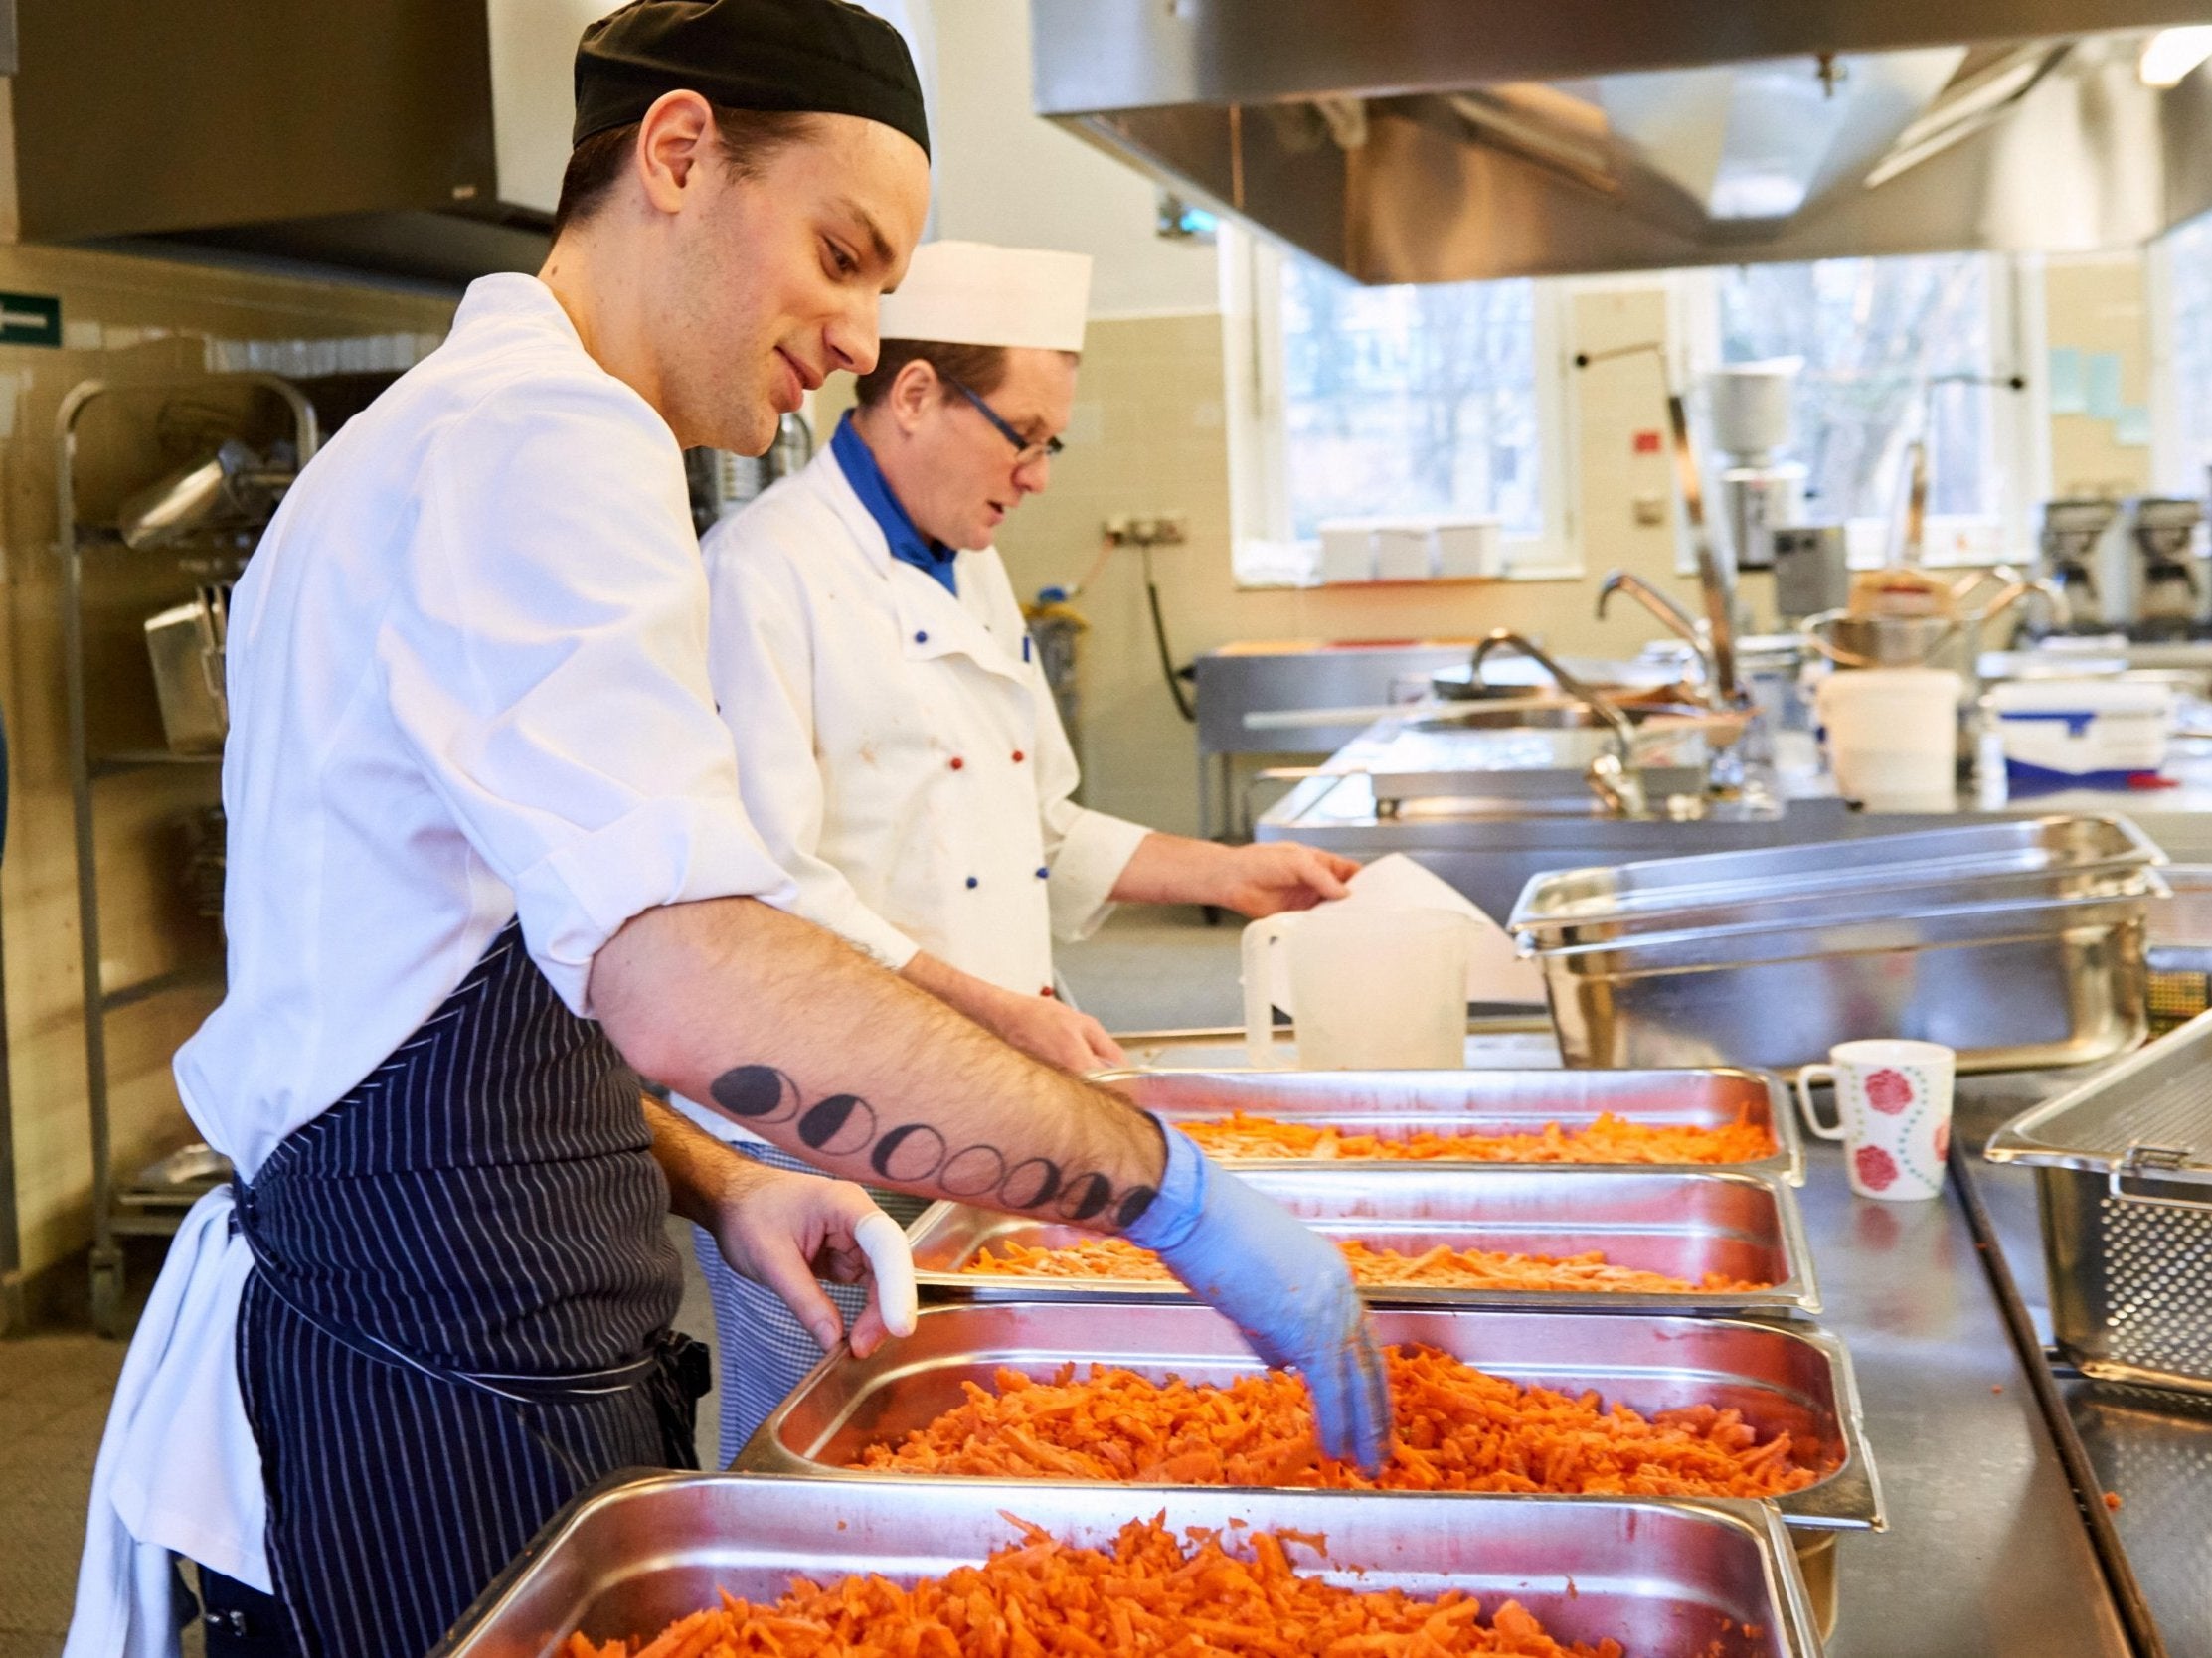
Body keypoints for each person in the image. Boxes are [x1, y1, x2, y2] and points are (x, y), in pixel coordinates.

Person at [65, 7, 1387, 1658]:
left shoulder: (465, 430)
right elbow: (681, 968)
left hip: (478, 1323)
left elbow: (464, 960)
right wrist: (1169, 1194)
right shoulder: (548, 436)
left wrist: (707, 1177)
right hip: (436, 1376)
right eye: (841, 255)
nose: (852, 336)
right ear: (679, 154)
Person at [674, 238, 1367, 1450]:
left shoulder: (970, 561)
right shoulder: (760, 572)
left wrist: (1224, 872)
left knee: (976, 1432)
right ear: (916, 394)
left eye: (1054, 443)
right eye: (1025, 436)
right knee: (818, 1435)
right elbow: (771, 893)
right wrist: (995, 1012)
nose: (1040, 476)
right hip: (815, 1131)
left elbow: (1034, 824)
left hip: (974, 1105)